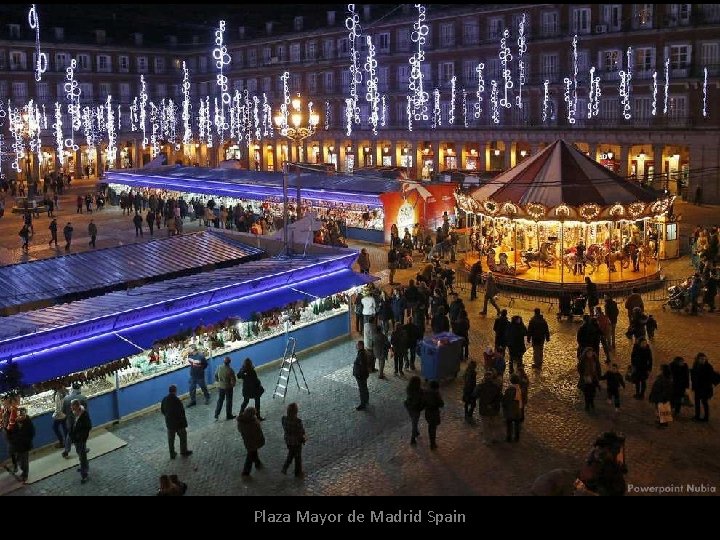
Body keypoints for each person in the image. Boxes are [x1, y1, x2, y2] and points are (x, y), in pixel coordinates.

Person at [160, 384, 192, 459]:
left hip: (169, 424)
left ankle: (172, 454)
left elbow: (162, 410)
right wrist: (184, 423)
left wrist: (168, 418)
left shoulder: (164, 399)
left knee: (171, 440)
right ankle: (183, 451)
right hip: (179, 424)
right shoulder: (177, 400)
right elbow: (181, 412)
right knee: (183, 437)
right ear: (175, 391)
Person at [6, 407, 35, 483]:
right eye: (19, 415)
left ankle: (25, 474)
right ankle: (23, 470)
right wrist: (12, 440)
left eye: (22, 415)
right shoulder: (13, 423)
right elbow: (9, 432)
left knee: (24, 461)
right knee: (19, 460)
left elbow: (31, 434)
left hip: (25, 445)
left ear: (25, 415)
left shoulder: (28, 423)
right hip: (16, 445)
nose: (20, 417)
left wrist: (25, 441)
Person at [61, 382, 87, 458]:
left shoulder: (66, 398)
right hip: (80, 421)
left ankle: (66, 451)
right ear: (79, 389)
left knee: (69, 436)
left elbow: (63, 411)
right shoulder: (83, 398)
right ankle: (82, 449)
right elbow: (85, 410)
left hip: (70, 421)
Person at [690, 352, 719, 422]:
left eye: (704, 359)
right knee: (697, 403)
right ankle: (697, 416)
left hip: (705, 389)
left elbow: (710, 378)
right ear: (698, 359)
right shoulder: (695, 365)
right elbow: (694, 377)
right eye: (701, 359)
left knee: (704, 403)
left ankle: (706, 418)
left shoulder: (708, 367)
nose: (703, 360)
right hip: (697, 388)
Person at [237, 407, 265, 476]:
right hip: (253, 441)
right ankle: (246, 471)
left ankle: (257, 463)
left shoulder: (241, 421)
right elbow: (257, 433)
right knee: (250, 455)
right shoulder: (252, 423)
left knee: (253, 452)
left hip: (247, 441)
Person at [69, 399, 92, 484]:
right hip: (76, 439)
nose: (71, 408)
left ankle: (84, 474)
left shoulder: (84, 415)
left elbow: (88, 426)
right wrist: (71, 434)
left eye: (72, 406)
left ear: (77, 406)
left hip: (81, 439)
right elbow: (72, 425)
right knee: (80, 453)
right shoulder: (74, 414)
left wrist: (81, 436)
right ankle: (84, 466)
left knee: (82, 456)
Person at [281, 402, 306, 477]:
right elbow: (301, 431)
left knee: (291, 453)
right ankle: (298, 472)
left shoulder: (284, 419)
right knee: (297, 457)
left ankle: (285, 467)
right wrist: (303, 439)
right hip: (296, 442)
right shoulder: (298, 421)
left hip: (288, 440)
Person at [423, 380, 444, 450]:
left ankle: (432, 442)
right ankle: (432, 443)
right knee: (433, 428)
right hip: (434, 413)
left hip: (427, 412)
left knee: (430, 427)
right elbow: (441, 404)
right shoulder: (436, 394)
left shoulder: (425, 393)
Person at [214, 356, 237, 421]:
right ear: (229, 362)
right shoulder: (230, 370)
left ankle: (216, 414)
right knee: (229, 401)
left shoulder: (219, 367)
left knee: (220, 400)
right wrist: (233, 385)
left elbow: (215, 375)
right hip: (228, 387)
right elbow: (233, 380)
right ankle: (228, 415)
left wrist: (219, 382)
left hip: (220, 387)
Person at [502, 374, 523, 443]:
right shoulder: (520, 389)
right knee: (517, 424)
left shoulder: (509, 390)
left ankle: (509, 438)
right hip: (518, 410)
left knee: (509, 424)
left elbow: (505, 400)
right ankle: (517, 437)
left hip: (510, 410)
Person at [404, 375, 424, 445]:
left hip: (409, 407)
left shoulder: (408, 389)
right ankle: (413, 438)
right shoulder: (420, 391)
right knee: (414, 423)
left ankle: (416, 432)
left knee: (414, 421)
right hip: (416, 409)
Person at [353, 340, 370, 410]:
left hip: (361, 375)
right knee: (364, 388)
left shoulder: (361, 354)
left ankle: (363, 404)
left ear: (360, 346)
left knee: (362, 389)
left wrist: (360, 375)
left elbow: (362, 366)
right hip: (363, 375)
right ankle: (366, 400)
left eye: (357, 345)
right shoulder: (362, 352)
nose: (356, 346)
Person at [51, 383, 68, 449]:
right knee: (65, 428)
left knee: (55, 428)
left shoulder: (58, 395)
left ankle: (61, 442)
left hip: (59, 415)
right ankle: (67, 441)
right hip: (64, 414)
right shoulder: (65, 394)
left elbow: (58, 408)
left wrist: (54, 415)